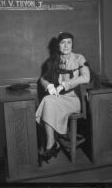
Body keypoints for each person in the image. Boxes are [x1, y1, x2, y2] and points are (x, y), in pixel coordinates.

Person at [36, 32, 90, 164]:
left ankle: (51, 144)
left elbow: (86, 77)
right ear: (58, 45)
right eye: (62, 42)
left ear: (72, 44)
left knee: (47, 101)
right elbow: (42, 78)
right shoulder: (54, 59)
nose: (66, 45)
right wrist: (48, 86)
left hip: (75, 99)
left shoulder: (79, 58)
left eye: (69, 42)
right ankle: (51, 142)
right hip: (59, 98)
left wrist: (64, 85)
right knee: (48, 100)